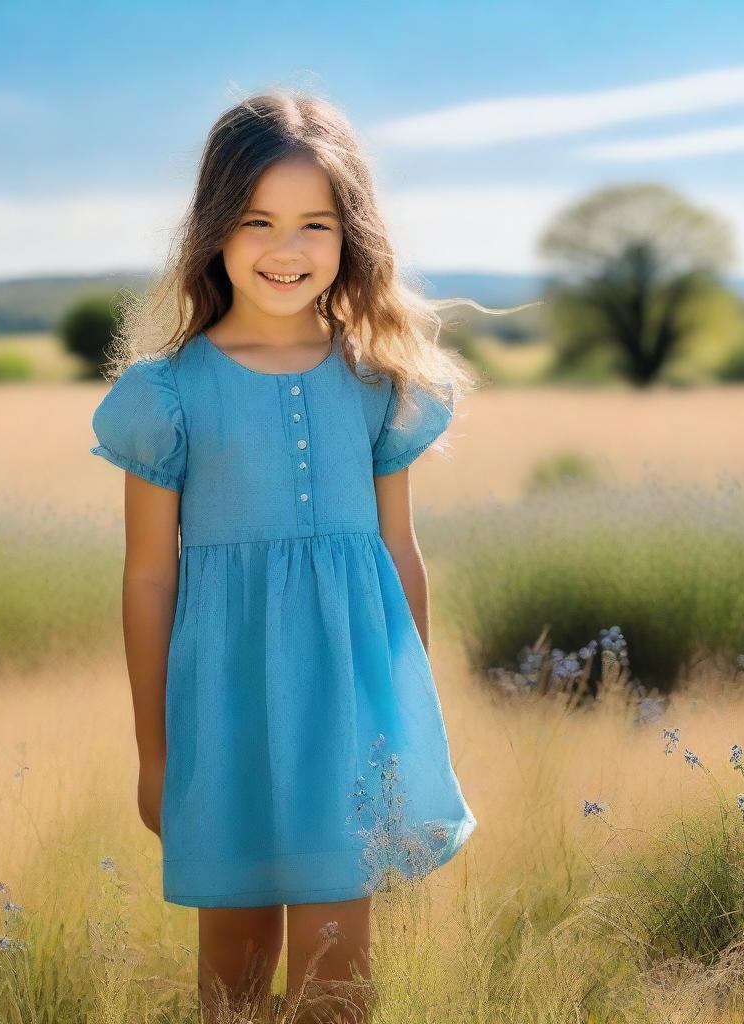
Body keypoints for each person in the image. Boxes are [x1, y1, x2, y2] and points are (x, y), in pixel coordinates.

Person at [89, 90, 529, 1024]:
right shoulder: (166, 395)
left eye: (313, 224)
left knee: (338, 977)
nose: (285, 249)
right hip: (222, 716)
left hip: (351, 724)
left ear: (349, 236)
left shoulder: (379, 383)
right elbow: (148, 575)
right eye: (257, 221)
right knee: (235, 980)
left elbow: (400, 555)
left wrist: (406, 724)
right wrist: (154, 752)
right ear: (213, 229)